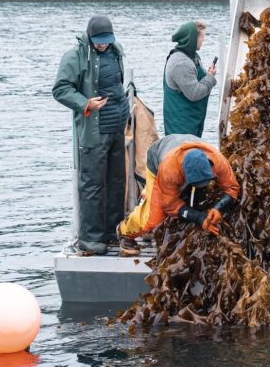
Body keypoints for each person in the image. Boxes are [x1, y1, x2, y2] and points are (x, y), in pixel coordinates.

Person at [53, 15, 130, 256]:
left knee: (117, 182)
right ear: (90, 37)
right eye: (99, 41)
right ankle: (92, 238)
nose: (103, 45)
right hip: (94, 132)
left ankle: (113, 232)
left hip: (117, 127)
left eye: (107, 40)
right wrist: (85, 103)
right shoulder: (75, 56)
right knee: (92, 185)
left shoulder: (115, 51)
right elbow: (61, 89)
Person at [116, 134, 240, 255]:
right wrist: (199, 218)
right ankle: (125, 232)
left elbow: (232, 187)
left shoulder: (218, 160)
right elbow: (171, 205)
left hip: (185, 149)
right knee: (154, 219)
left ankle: (149, 198)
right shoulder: (169, 169)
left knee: (197, 202)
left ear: (210, 166)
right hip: (159, 160)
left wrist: (217, 208)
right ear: (184, 175)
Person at [163, 20, 217, 137]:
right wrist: (210, 78)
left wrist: (207, 76)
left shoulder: (191, 56)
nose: (203, 40)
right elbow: (194, 93)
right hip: (181, 129)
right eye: (202, 36)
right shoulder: (181, 62)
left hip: (191, 124)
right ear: (192, 39)